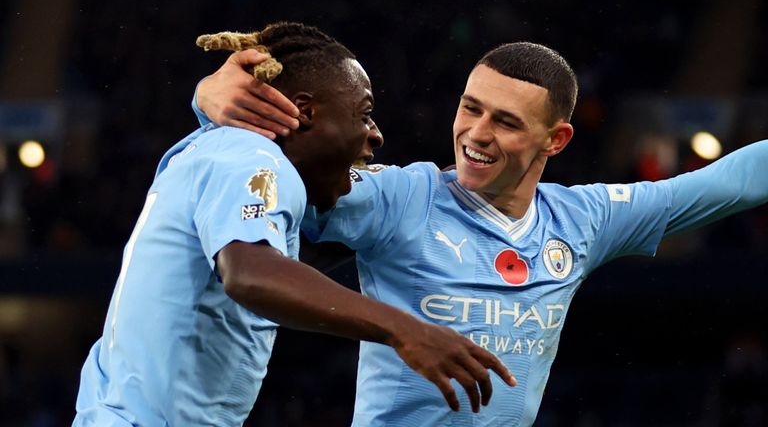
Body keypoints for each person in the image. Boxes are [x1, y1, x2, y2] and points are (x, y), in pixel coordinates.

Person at [195, 42, 768, 426]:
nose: (477, 133)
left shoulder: (584, 219)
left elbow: (731, 183)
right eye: (471, 108)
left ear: (557, 140)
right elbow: (276, 170)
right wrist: (208, 105)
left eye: (507, 121)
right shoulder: (401, 197)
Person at [72, 22, 516, 427]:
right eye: (364, 113)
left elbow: (293, 267)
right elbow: (251, 274)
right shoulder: (252, 155)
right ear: (305, 111)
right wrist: (404, 329)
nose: (376, 133)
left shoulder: (221, 151)